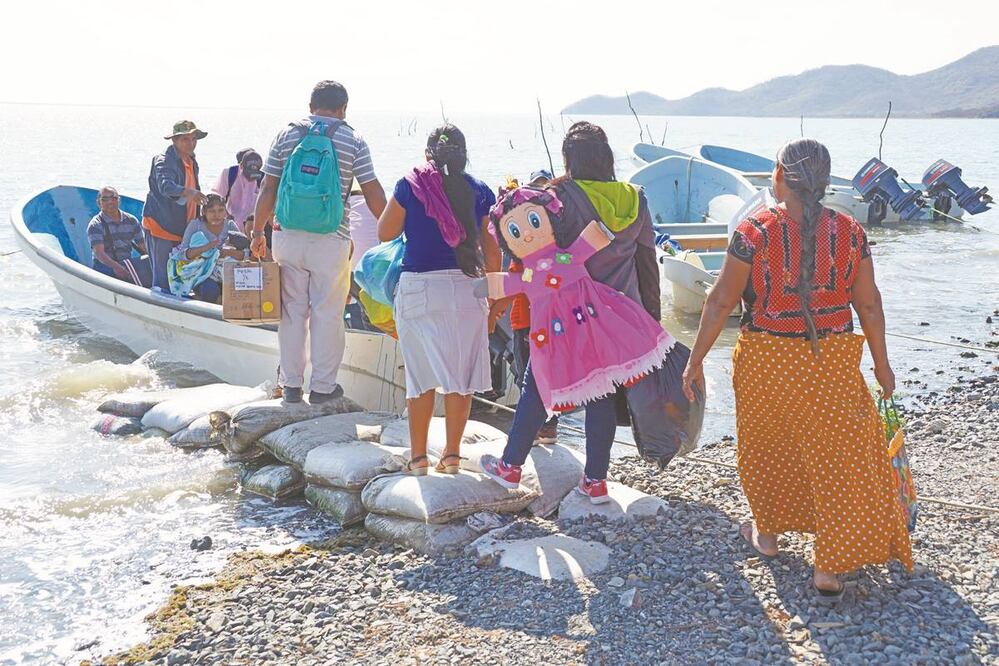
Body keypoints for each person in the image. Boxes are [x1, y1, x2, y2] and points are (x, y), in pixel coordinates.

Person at [681, 138, 913, 601]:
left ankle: (768, 537)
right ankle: (828, 567)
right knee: (840, 463)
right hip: (832, 363)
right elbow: (867, 302)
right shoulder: (850, 231)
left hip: (766, 362)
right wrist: (883, 366)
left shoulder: (754, 232)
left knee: (767, 449)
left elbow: (721, 301)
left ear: (780, 176)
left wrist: (695, 359)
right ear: (825, 181)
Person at [480, 122, 663, 503]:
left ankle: (510, 466)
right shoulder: (637, 198)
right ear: (607, 157)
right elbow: (648, 263)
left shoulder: (561, 194)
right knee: (601, 393)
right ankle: (595, 480)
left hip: (566, 313)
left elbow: (535, 249)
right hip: (618, 314)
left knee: (536, 385)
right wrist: (650, 319)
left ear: (569, 160)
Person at [252, 80, 387, 404]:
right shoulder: (352, 139)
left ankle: (293, 385)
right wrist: (395, 234)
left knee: (292, 312)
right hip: (331, 240)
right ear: (343, 109)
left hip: (287, 236)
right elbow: (372, 192)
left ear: (311, 106)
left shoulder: (286, 135)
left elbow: (268, 188)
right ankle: (324, 387)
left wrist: (257, 233)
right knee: (328, 312)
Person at [377, 124, 501, 475]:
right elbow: (493, 252)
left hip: (419, 288)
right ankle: (451, 455)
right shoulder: (479, 191)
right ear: (463, 154)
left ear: (428, 153)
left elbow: (385, 232)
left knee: (420, 377)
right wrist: (497, 298)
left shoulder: (410, 185)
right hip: (466, 288)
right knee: (460, 378)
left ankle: (418, 458)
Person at [143, 120, 208, 290]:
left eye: (193, 139)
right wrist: (190, 192)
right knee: (163, 278)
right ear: (174, 140)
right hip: (162, 226)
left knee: (181, 273)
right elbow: (166, 186)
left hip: (183, 227)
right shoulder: (163, 161)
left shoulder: (192, 160)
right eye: (185, 139)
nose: (191, 143)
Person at [169, 193, 247, 302]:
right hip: (202, 274)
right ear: (203, 212)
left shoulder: (230, 225)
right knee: (210, 290)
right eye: (212, 211)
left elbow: (245, 254)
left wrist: (228, 252)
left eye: (221, 210)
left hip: (225, 272)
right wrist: (205, 248)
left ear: (226, 211)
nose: (217, 215)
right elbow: (182, 255)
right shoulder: (196, 225)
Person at [87, 186, 150, 285]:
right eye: (105, 199)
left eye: (113, 198)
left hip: (126, 262)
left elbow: (143, 246)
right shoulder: (95, 225)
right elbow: (99, 254)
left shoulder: (131, 220)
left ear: (119, 200)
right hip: (105, 265)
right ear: (99, 203)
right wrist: (117, 267)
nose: (110, 202)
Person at [213, 148, 263, 230]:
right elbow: (216, 198)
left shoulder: (263, 178)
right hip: (230, 226)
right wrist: (225, 215)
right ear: (241, 165)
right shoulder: (229, 174)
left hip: (253, 228)